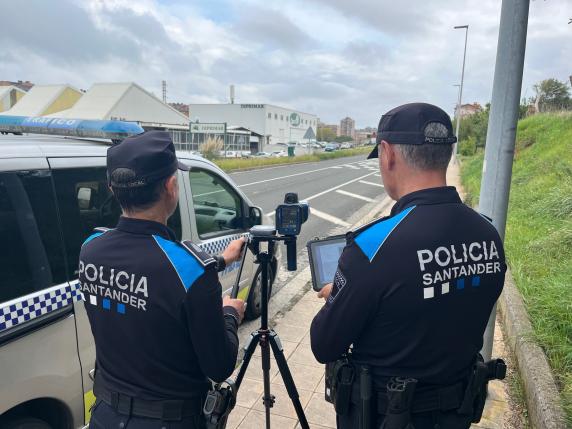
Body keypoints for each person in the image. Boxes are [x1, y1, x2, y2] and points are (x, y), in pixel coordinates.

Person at [310, 103, 507, 429]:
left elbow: (324, 344)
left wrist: (338, 297)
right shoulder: (488, 234)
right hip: (455, 414)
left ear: (387, 154)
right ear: (447, 153)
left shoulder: (371, 248)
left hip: (384, 417)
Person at [79, 130, 246, 428]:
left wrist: (222, 260)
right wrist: (230, 314)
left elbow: (155, 278)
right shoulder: (192, 271)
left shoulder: (91, 248)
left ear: (112, 189)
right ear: (170, 186)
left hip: (105, 416)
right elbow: (220, 366)